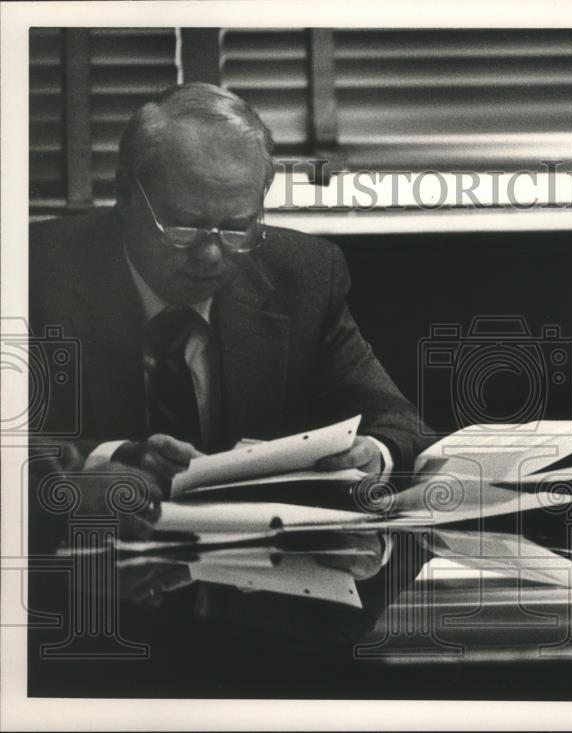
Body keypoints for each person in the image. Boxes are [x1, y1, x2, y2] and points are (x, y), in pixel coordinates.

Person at [27, 83, 431, 664]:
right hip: (75, 620)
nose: (212, 255)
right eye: (184, 226)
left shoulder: (304, 274)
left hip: (265, 619)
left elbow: (399, 422)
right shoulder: (31, 270)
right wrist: (97, 464)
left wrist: (374, 454)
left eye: (238, 227)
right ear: (123, 194)